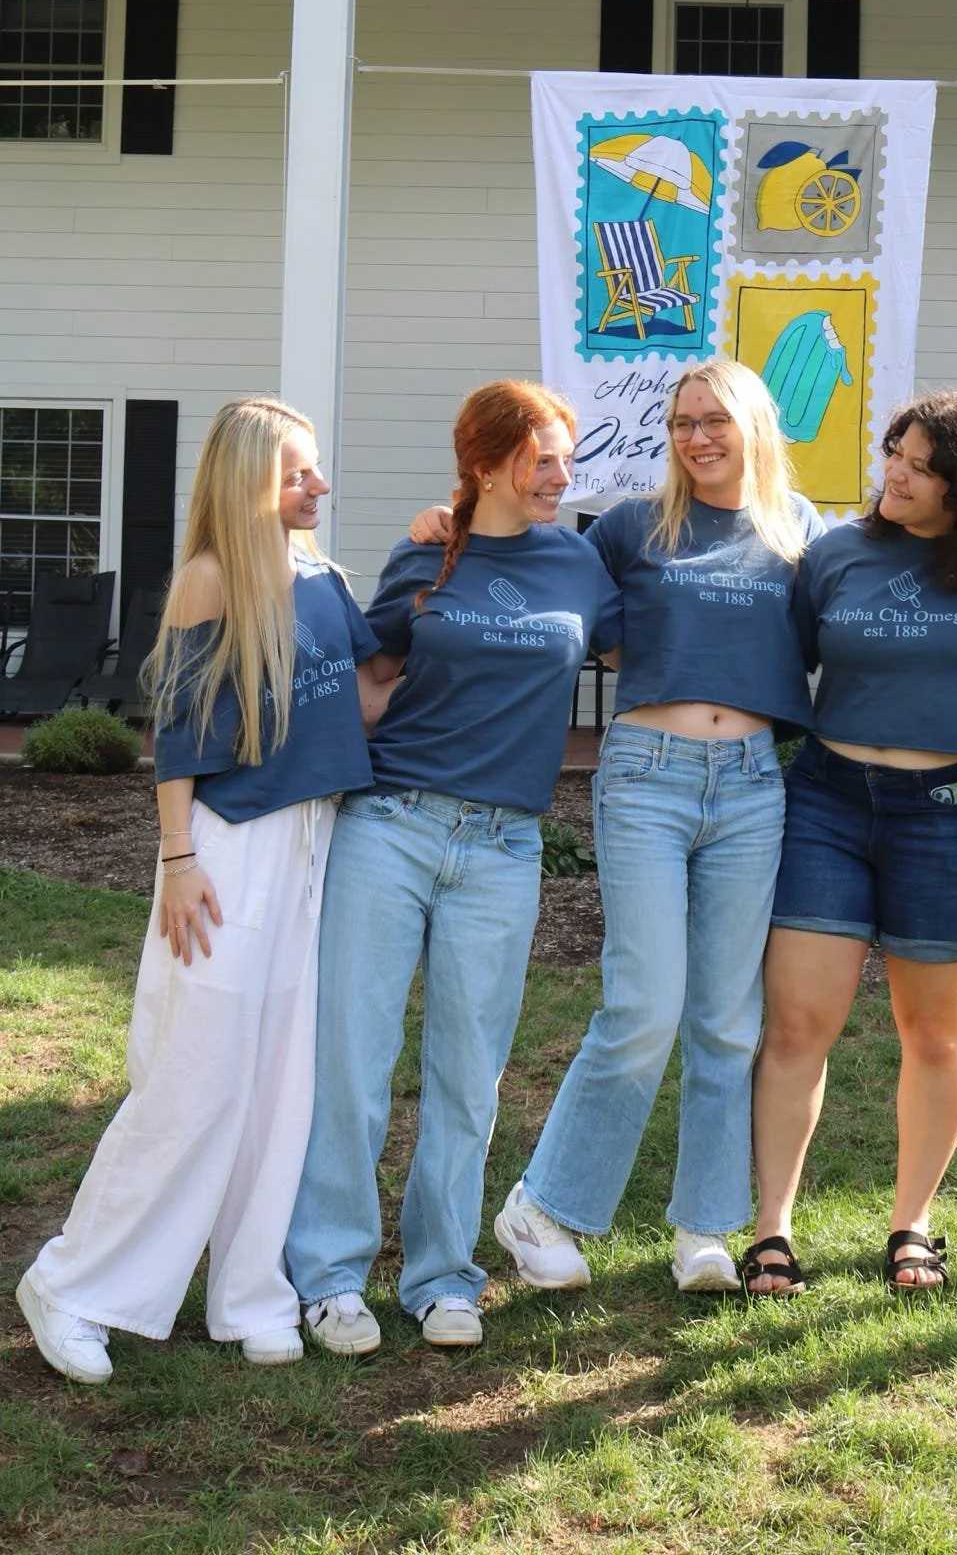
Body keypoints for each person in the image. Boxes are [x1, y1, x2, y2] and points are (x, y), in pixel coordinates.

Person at [17, 396, 381, 1382]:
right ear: (248, 478)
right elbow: (174, 736)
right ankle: (71, 1282)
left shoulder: (321, 579)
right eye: (299, 470)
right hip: (228, 849)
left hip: (310, 843)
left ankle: (250, 1289)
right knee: (197, 1077)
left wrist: (450, 562)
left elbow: (374, 682)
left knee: (277, 1083)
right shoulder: (209, 579)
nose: (318, 485)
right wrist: (177, 861)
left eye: (316, 469)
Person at [285, 380, 622, 1356]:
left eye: (565, 457)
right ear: (484, 461)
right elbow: (369, 681)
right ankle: (332, 1275)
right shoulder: (425, 551)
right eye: (542, 457)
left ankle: (440, 1275)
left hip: (504, 843)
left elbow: (655, 637)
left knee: (467, 1073)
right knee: (353, 1057)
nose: (560, 475)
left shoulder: (582, 563)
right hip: (388, 823)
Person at [489, 358, 824, 1295]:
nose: (697, 437)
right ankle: (542, 1207)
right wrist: (446, 528)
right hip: (644, 775)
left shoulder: (797, 531)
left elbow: (868, 607)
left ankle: (705, 1231)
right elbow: (533, 566)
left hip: (754, 784)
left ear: (754, 426)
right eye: (682, 423)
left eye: (716, 420)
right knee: (643, 1007)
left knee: (726, 1018)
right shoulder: (635, 527)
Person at [744, 392, 957, 1299]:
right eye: (893, 454)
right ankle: (771, 1232)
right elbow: (768, 653)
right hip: (829, 803)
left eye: (919, 464)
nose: (896, 475)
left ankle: (911, 1223)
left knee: (933, 1030)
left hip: (951, 809)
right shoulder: (832, 556)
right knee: (798, 1023)